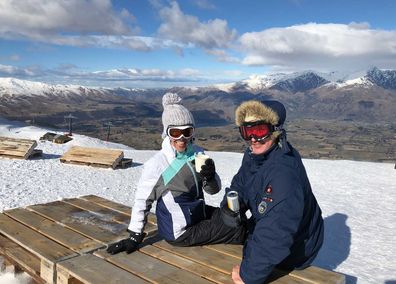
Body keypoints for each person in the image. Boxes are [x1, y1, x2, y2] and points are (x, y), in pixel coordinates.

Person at [107, 92, 245, 255]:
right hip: (181, 230)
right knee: (237, 228)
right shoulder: (158, 164)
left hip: (197, 213)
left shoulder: (198, 154)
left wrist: (210, 177)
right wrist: (135, 235)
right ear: (167, 133)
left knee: (234, 216)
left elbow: (213, 190)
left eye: (187, 132)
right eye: (175, 132)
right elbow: (142, 200)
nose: (182, 138)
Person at [225, 100, 324, 284]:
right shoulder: (255, 155)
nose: (253, 138)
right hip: (272, 229)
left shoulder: (283, 174)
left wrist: (248, 276)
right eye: (247, 132)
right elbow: (241, 182)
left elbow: (274, 235)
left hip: (295, 250)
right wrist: (230, 208)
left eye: (260, 130)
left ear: (275, 129)